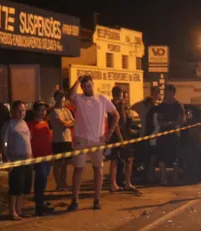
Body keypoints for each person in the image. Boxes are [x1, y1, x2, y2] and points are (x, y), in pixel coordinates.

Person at [68, 75, 119, 211]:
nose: (86, 88)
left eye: (88, 85)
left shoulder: (102, 99)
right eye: (84, 86)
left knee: (98, 168)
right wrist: (77, 81)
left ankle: (97, 199)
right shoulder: (79, 99)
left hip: (97, 139)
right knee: (78, 169)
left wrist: (109, 133)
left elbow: (116, 114)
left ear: (93, 84)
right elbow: (70, 95)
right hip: (81, 139)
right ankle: (75, 200)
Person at [0, 101, 32, 220]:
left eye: (23, 110)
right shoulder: (9, 125)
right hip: (15, 160)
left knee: (24, 187)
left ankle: (19, 210)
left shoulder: (24, 124)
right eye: (19, 110)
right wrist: (5, 157)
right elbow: (4, 142)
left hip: (27, 160)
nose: (21, 112)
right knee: (15, 186)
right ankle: (12, 211)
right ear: (13, 111)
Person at [152, 84, 185, 185]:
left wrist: (172, 123)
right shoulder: (162, 105)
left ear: (173, 93)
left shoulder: (178, 105)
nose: (167, 94)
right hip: (163, 133)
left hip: (174, 133)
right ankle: (163, 178)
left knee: (175, 156)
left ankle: (175, 177)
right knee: (162, 156)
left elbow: (182, 120)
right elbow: (157, 117)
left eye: (169, 92)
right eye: (166, 92)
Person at [27, 101, 56, 216]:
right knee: (40, 181)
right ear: (34, 111)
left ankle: (41, 203)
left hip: (47, 157)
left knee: (43, 182)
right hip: (38, 158)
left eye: (44, 110)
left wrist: (52, 154)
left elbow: (49, 141)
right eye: (40, 109)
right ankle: (39, 206)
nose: (42, 112)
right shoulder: (30, 125)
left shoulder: (46, 124)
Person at [108, 86, 138, 192]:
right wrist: (121, 139)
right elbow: (116, 123)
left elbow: (124, 121)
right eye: (122, 96)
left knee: (124, 159)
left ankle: (123, 183)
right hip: (119, 136)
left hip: (123, 135)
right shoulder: (113, 106)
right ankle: (114, 184)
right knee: (118, 159)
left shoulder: (120, 106)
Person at [131, 86, 160, 181]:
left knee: (149, 156)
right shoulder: (144, 107)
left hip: (150, 136)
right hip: (146, 135)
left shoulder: (154, 107)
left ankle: (148, 174)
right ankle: (148, 174)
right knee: (148, 156)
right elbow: (132, 108)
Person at [49, 90, 75, 191]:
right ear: (55, 99)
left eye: (63, 98)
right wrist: (68, 123)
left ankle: (64, 183)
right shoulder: (54, 111)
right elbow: (63, 123)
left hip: (68, 140)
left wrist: (68, 123)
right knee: (58, 164)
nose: (61, 100)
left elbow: (73, 122)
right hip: (58, 140)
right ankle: (58, 184)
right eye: (59, 97)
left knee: (65, 164)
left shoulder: (66, 110)